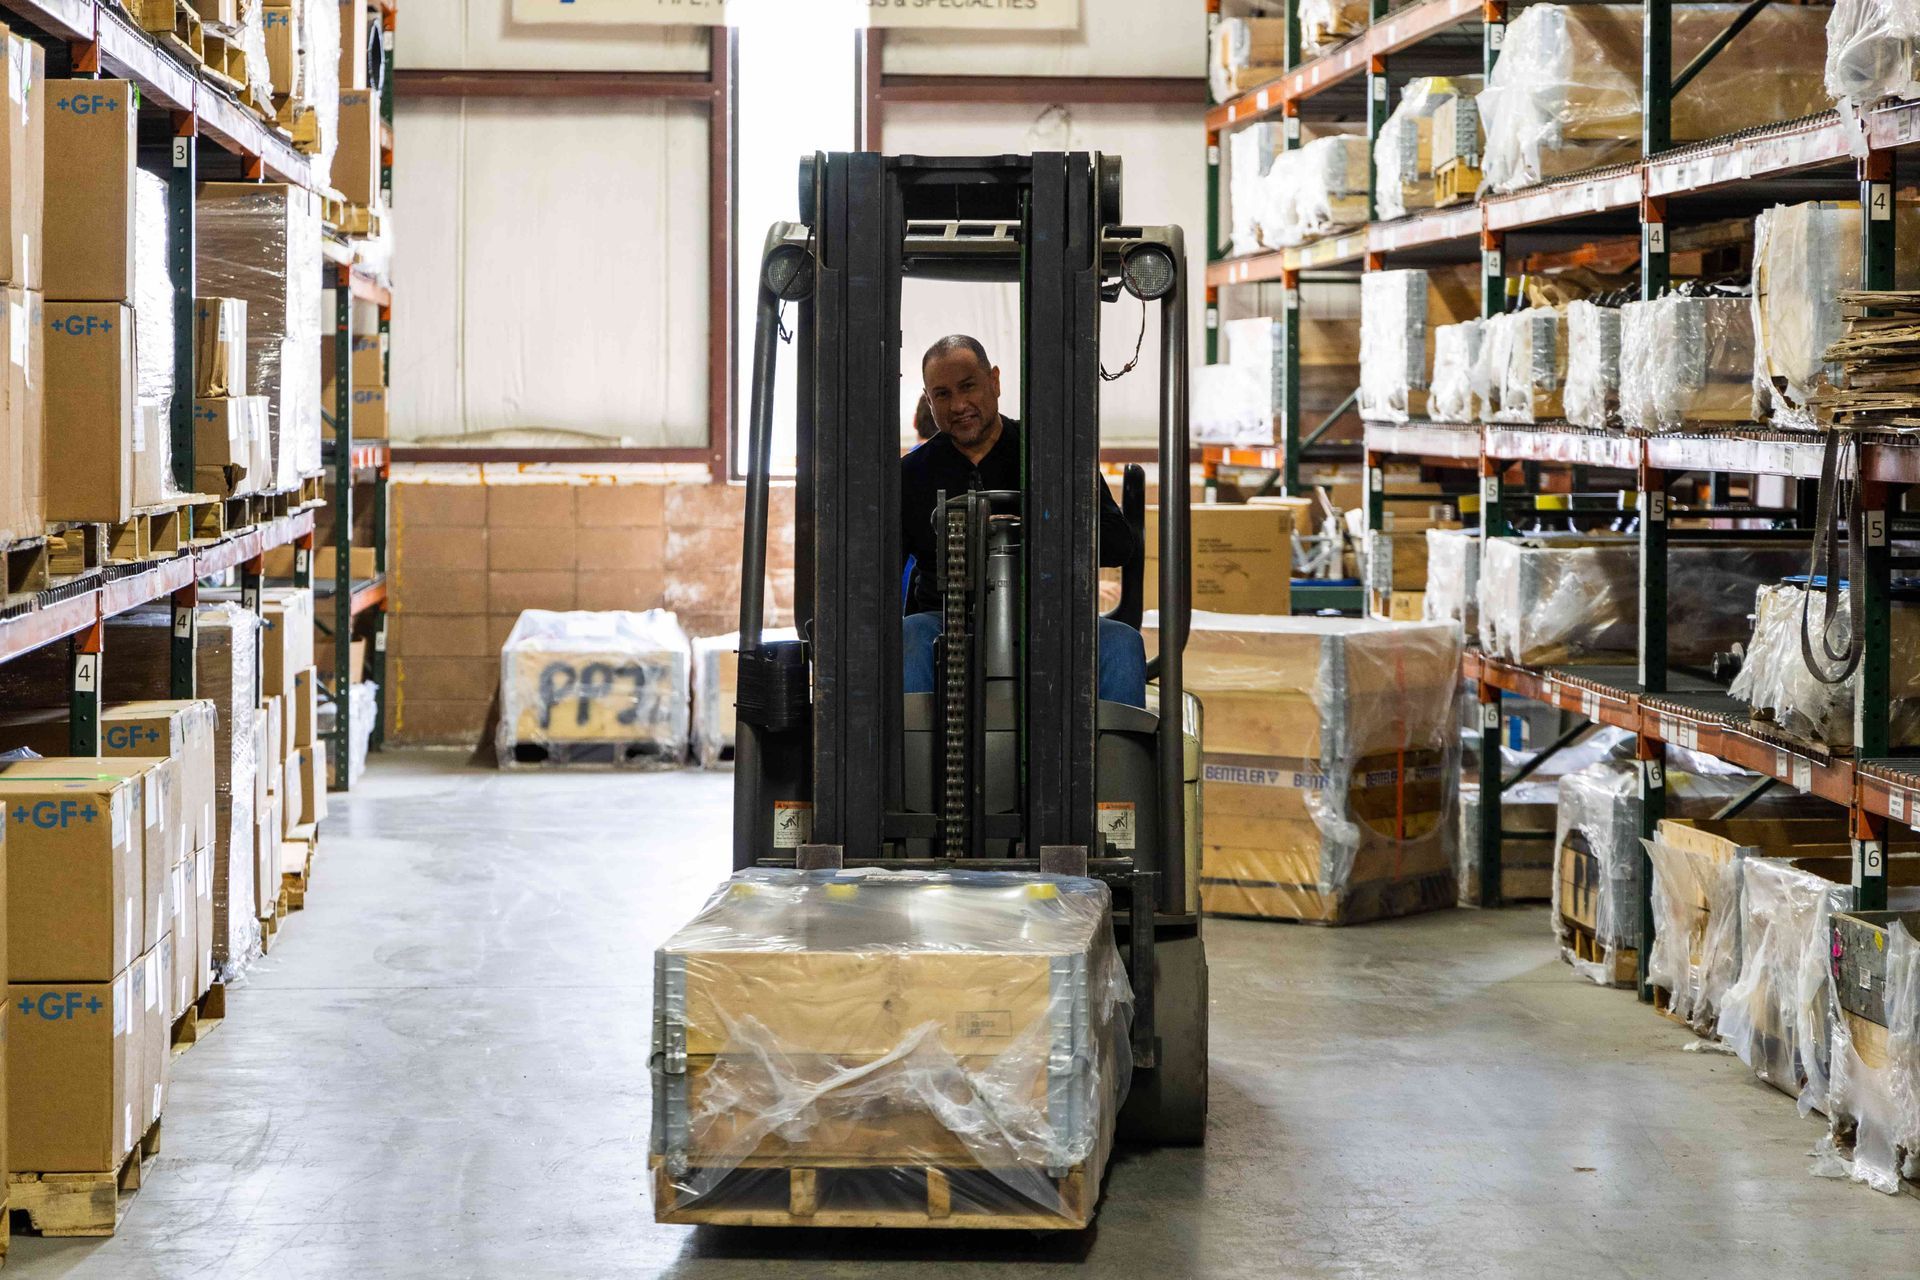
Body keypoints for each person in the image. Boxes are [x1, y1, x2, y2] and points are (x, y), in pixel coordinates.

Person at [899, 334, 1148, 708]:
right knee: (908, 638)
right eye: (943, 394)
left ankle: (1105, 764)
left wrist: (1043, 526)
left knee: (1121, 645)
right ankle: (911, 764)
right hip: (944, 623)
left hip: (1046, 618)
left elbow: (1118, 543)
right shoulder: (911, 474)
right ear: (929, 400)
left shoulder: (1053, 455)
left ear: (994, 382)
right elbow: (873, 573)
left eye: (968, 387)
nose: (959, 404)